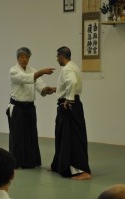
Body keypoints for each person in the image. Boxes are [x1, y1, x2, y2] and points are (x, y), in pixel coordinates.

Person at [7, 47, 55, 169]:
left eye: (27, 57)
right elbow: (25, 78)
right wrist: (41, 72)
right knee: (17, 136)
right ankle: (16, 162)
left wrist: (46, 89)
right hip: (17, 107)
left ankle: (31, 162)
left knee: (31, 134)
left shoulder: (32, 70)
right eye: (22, 57)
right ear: (17, 58)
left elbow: (39, 84)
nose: (24, 59)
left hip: (29, 107)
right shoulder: (13, 71)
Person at [51, 46, 91, 180]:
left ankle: (81, 171)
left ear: (62, 56)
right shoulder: (73, 66)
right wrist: (59, 90)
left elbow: (72, 82)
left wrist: (68, 99)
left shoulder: (67, 68)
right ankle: (62, 165)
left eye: (57, 57)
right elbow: (70, 84)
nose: (57, 59)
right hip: (72, 106)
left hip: (69, 107)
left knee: (72, 139)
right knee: (64, 137)